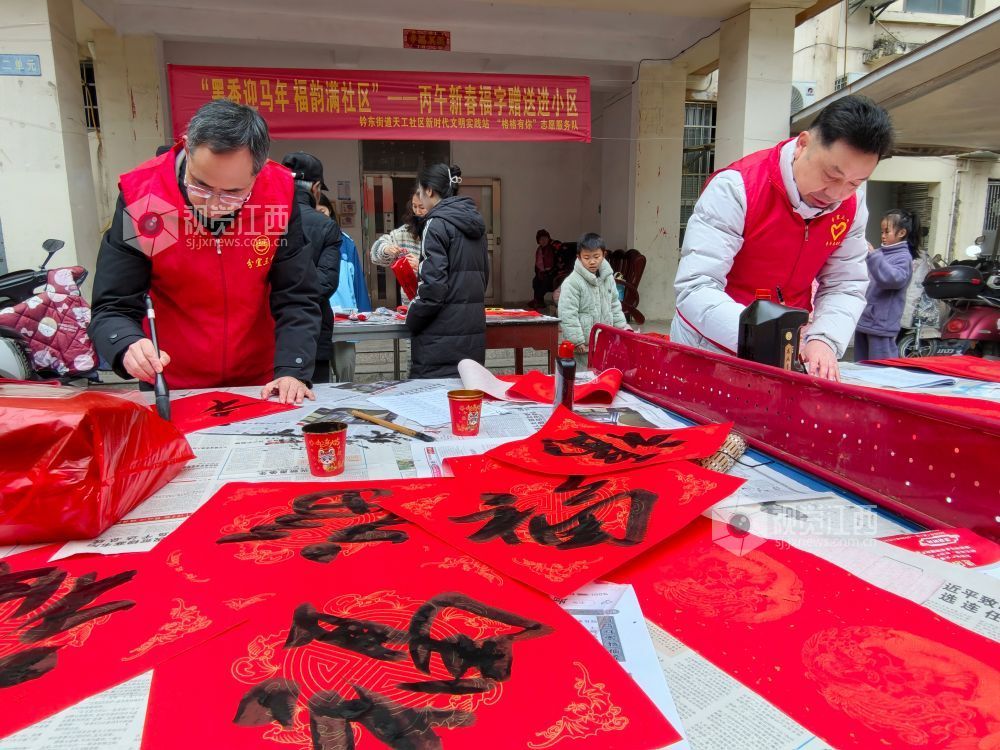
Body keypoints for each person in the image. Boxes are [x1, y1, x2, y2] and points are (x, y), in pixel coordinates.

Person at [90, 100, 320, 404]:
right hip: (174, 383)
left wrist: (292, 368)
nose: (213, 205)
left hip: (260, 381)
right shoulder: (150, 200)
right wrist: (127, 344)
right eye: (200, 186)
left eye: (233, 193)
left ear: (259, 170)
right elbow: (114, 305)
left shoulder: (275, 196)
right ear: (187, 146)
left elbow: (297, 294)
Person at [671, 95, 895, 381]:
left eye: (854, 183)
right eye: (831, 175)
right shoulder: (738, 188)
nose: (836, 194)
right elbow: (696, 287)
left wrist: (823, 339)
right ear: (803, 144)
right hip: (711, 345)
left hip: (788, 351)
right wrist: (764, 339)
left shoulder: (851, 207)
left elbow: (846, 284)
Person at [404, 163, 489, 378]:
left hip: (438, 339)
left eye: (420, 192)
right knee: (463, 400)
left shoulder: (436, 223)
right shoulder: (475, 222)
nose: (420, 198)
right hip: (471, 333)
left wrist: (412, 317)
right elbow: (483, 278)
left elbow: (432, 288)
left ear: (429, 191)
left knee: (430, 404)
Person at [281, 151, 342, 384]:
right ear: (315, 188)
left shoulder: (264, 219)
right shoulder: (325, 226)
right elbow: (325, 284)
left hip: (266, 335)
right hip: (311, 332)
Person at [557, 233, 631, 368]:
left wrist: (621, 329)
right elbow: (567, 314)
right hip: (583, 345)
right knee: (584, 377)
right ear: (578, 257)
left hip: (606, 341)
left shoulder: (608, 278)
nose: (592, 261)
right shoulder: (572, 282)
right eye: (586, 257)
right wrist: (576, 340)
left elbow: (614, 304)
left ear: (604, 254)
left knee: (604, 376)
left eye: (596, 257)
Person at [854, 209, 918, 361]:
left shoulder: (903, 257)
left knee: (882, 368)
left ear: (901, 233)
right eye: (882, 231)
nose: (882, 235)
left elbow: (892, 280)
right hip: (867, 319)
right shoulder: (882, 253)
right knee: (861, 366)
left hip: (882, 324)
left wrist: (873, 255)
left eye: (887, 231)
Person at [370, 190, 425, 303]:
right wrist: (386, 249)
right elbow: (375, 254)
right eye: (414, 206)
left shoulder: (443, 229)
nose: (417, 212)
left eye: (422, 207)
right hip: (410, 301)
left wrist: (421, 265)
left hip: (439, 300)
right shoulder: (405, 232)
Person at [530, 229, 557, 309]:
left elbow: (557, 263)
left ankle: (537, 300)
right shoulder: (539, 250)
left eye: (545, 238)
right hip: (543, 273)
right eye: (541, 239)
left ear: (548, 238)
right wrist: (539, 273)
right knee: (535, 281)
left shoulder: (553, 248)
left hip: (553, 273)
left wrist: (548, 272)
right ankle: (540, 302)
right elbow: (537, 266)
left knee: (546, 281)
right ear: (538, 241)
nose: (543, 240)